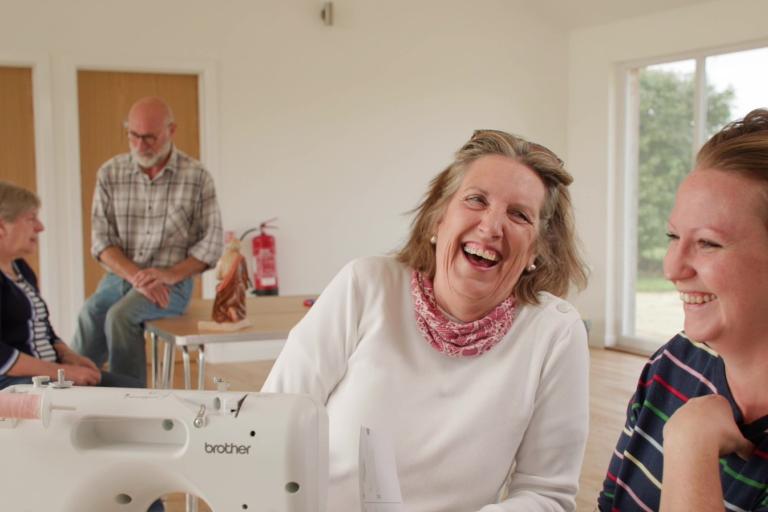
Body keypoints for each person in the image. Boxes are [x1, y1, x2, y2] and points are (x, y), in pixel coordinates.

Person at [262, 130, 590, 511]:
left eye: (518, 215)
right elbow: (271, 427)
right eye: (475, 200)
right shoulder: (365, 286)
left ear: (538, 249)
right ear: (438, 218)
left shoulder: (554, 332)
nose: (491, 226)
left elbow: (546, 494)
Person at [598, 108, 768, 512]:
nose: (672, 268)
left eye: (708, 243)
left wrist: (692, 446)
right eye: (673, 236)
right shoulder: (674, 362)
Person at [72, 96, 223, 386]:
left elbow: (211, 243)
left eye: (150, 138)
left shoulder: (197, 177)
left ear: (171, 130)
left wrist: (167, 276)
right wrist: (137, 277)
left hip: (172, 281)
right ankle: (68, 391)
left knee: (120, 317)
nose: (141, 145)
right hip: (120, 276)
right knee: (91, 314)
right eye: (134, 136)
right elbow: (101, 241)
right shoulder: (110, 173)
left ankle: (129, 401)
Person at [0, 181, 142, 389]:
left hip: (49, 373)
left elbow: (42, 326)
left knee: (134, 389)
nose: (40, 227)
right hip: (14, 385)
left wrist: (68, 355)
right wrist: (63, 372)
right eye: (31, 219)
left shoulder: (21, 268)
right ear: (2, 226)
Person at [211, 237, 250, 324]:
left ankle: (226, 312)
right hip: (238, 288)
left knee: (220, 300)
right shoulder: (241, 258)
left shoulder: (222, 259)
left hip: (225, 287)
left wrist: (226, 278)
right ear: (239, 248)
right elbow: (245, 275)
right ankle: (235, 311)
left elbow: (218, 276)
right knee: (239, 302)